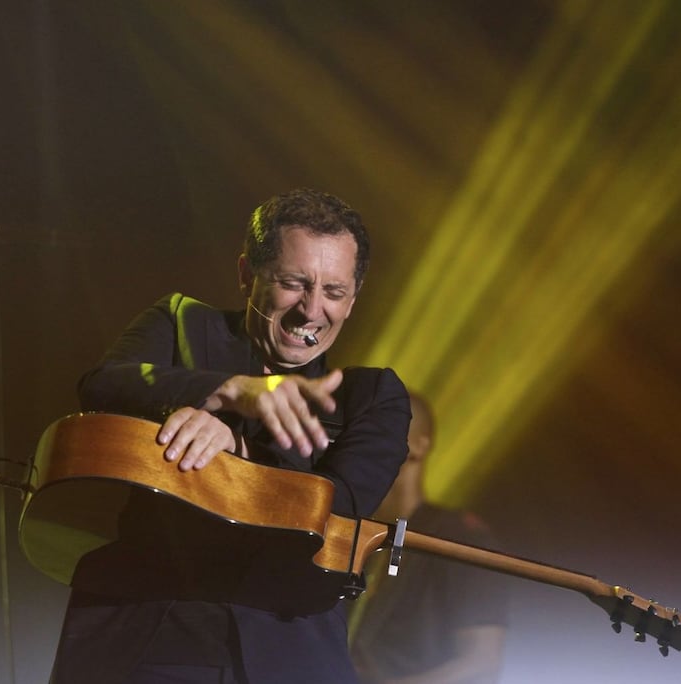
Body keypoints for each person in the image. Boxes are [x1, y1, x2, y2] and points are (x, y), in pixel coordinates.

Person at [50, 188, 411, 683]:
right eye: (293, 283)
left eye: (334, 292)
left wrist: (237, 450)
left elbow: (339, 507)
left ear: (353, 300)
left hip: (287, 653)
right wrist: (227, 391)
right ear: (247, 276)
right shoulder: (179, 323)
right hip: (149, 640)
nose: (311, 310)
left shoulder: (371, 395)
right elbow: (103, 386)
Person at [350, 394, 508, 684]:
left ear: (419, 445)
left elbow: (482, 664)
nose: (364, 440)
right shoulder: (359, 537)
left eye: (380, 427)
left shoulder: (459, 537)